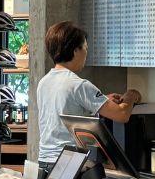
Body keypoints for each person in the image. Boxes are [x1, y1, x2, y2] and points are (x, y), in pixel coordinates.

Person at [37, 21, 142, 168]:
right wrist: (131, 95)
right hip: (68, 163)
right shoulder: (78, 84)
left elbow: (67, 106)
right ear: (75, 51)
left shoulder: (44, 82)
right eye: (85, 48)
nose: (86, 53)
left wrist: (101, 100)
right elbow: (122, 114)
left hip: (44, 162)